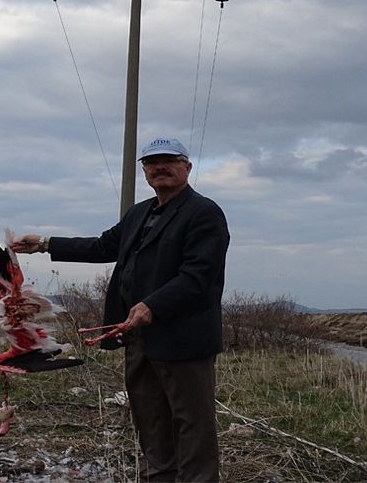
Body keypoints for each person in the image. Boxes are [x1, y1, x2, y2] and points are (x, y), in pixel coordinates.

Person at [12, 137, 230, 483]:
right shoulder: (139, 213)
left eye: (168, 160)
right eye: (151, 162)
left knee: (192, 422)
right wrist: (44, 244)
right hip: (139, 336)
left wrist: (152, 305)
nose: (159, 167)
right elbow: (102, 246)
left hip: (183, 340)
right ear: (144, 170)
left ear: (187, 167)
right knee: (150, 416)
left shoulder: (203, 214)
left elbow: (199, 277)